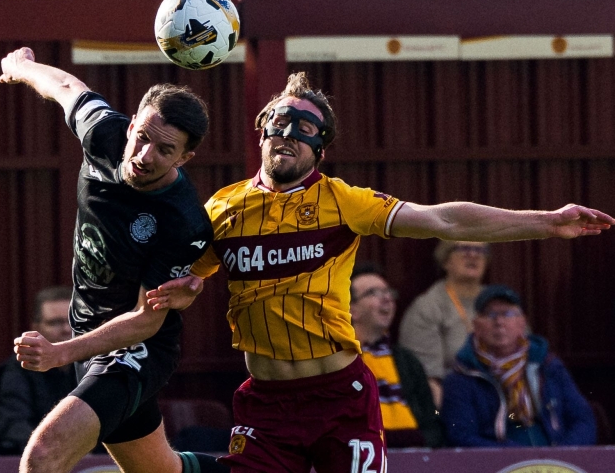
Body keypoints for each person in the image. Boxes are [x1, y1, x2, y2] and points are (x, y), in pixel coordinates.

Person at [146, 71, 613, 472]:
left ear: (320, 148)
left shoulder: (342, 201)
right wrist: (187, 287)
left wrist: (547, 222)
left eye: (304, 126)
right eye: (278, 122)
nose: (288, 132)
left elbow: (444, 219)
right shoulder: (223, 207)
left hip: (338, 396)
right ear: (262, 132)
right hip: (265, 402)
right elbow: (184, 275)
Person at [0, 47, 224, 473]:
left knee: (43, 457)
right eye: (142, 137)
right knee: (161, 471)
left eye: (164, 150)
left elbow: (146, 319)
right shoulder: (104, 134)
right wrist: (22, 68)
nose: (144, 156)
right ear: (132, 123)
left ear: (184, 158)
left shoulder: (184, 221)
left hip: (136, 349)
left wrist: (59, 353)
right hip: (92, 338)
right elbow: (67, 87)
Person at [441, 285, 596, 446]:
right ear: (476, 325)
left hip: (554, 460)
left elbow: (583, 419)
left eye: (508, 314)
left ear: (522, 323)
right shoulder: (462, 376)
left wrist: (564, 454)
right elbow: (460, 435)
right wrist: (517, 458)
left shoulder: (548, 365)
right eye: (490, 314)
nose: (499, 322)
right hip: (497, 464)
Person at [349, 262, 443, 448]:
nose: (386, 299)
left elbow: (433, 427)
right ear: (352, 310)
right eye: (372, 293)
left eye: (388, 292)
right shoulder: (338, 359)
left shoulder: (407, 361)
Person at [399, 240, 490, 408]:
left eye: (480, 250)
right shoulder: (428, 307)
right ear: (446, 260)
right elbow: (427, 380)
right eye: (464, 248)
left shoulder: (497, 302)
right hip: (455, 402)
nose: (474, 254)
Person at [0, 286, 77, 455]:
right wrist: (56, 450)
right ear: (36, 328)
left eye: (72, 320)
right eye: (55, 323)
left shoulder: (96, 364)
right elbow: (14, 424)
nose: (66, 329)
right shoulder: (19, 369)